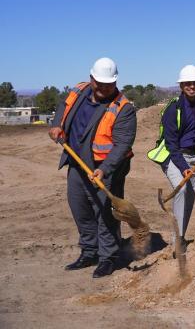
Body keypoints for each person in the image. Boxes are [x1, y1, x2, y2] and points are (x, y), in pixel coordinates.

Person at [49, 57, 137, 278]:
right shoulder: (79, 90)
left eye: (109, 85)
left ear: (116, 82)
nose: (104, 88)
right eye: (100, 83)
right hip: (77, 163)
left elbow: (122, 145)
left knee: (105, 213)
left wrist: (105, 169)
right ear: (91, 79)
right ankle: (89, 252)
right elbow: (63, 106)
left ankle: (108, 257)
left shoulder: (123, 108)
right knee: (81, 209)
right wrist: (57, 125)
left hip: (106, 169)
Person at [147, 64, 195, 247]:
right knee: (181, 190)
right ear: (182, 86)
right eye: (187, 83)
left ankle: (181, 236)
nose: (192, 86)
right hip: (174, 157)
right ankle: (177, 241)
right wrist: (184, 168)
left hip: (194, 158)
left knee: (190, 198)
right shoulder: (172, 109)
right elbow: (171, 145)